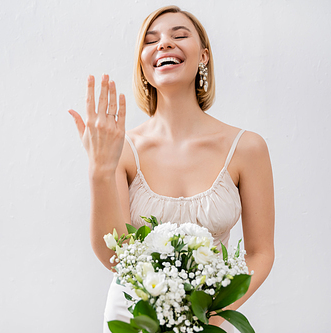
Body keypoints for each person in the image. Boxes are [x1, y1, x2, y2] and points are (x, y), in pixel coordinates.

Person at [68, 5, 274, 332]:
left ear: (204, 56)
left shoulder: (247, 148)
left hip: (212, 320)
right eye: (151, 41)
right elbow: (116, 256)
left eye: (179, 35)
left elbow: (260, 252)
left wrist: (210, 316)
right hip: (135, 319)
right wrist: (99, 170)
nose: (164, 44)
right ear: (144, 66)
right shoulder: (122, 149)